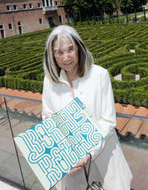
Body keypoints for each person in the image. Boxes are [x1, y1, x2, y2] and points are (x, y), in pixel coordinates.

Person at [42, 25, 133, 190]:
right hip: (69, 164)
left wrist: (89, 154)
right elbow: (48, 117)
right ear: (52, 55)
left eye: (70, 49)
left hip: (103, 159)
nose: (66, 57)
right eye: (59, 52)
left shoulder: (100, 75)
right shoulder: (49, 82)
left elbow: (107, 122)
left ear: (78, 48)